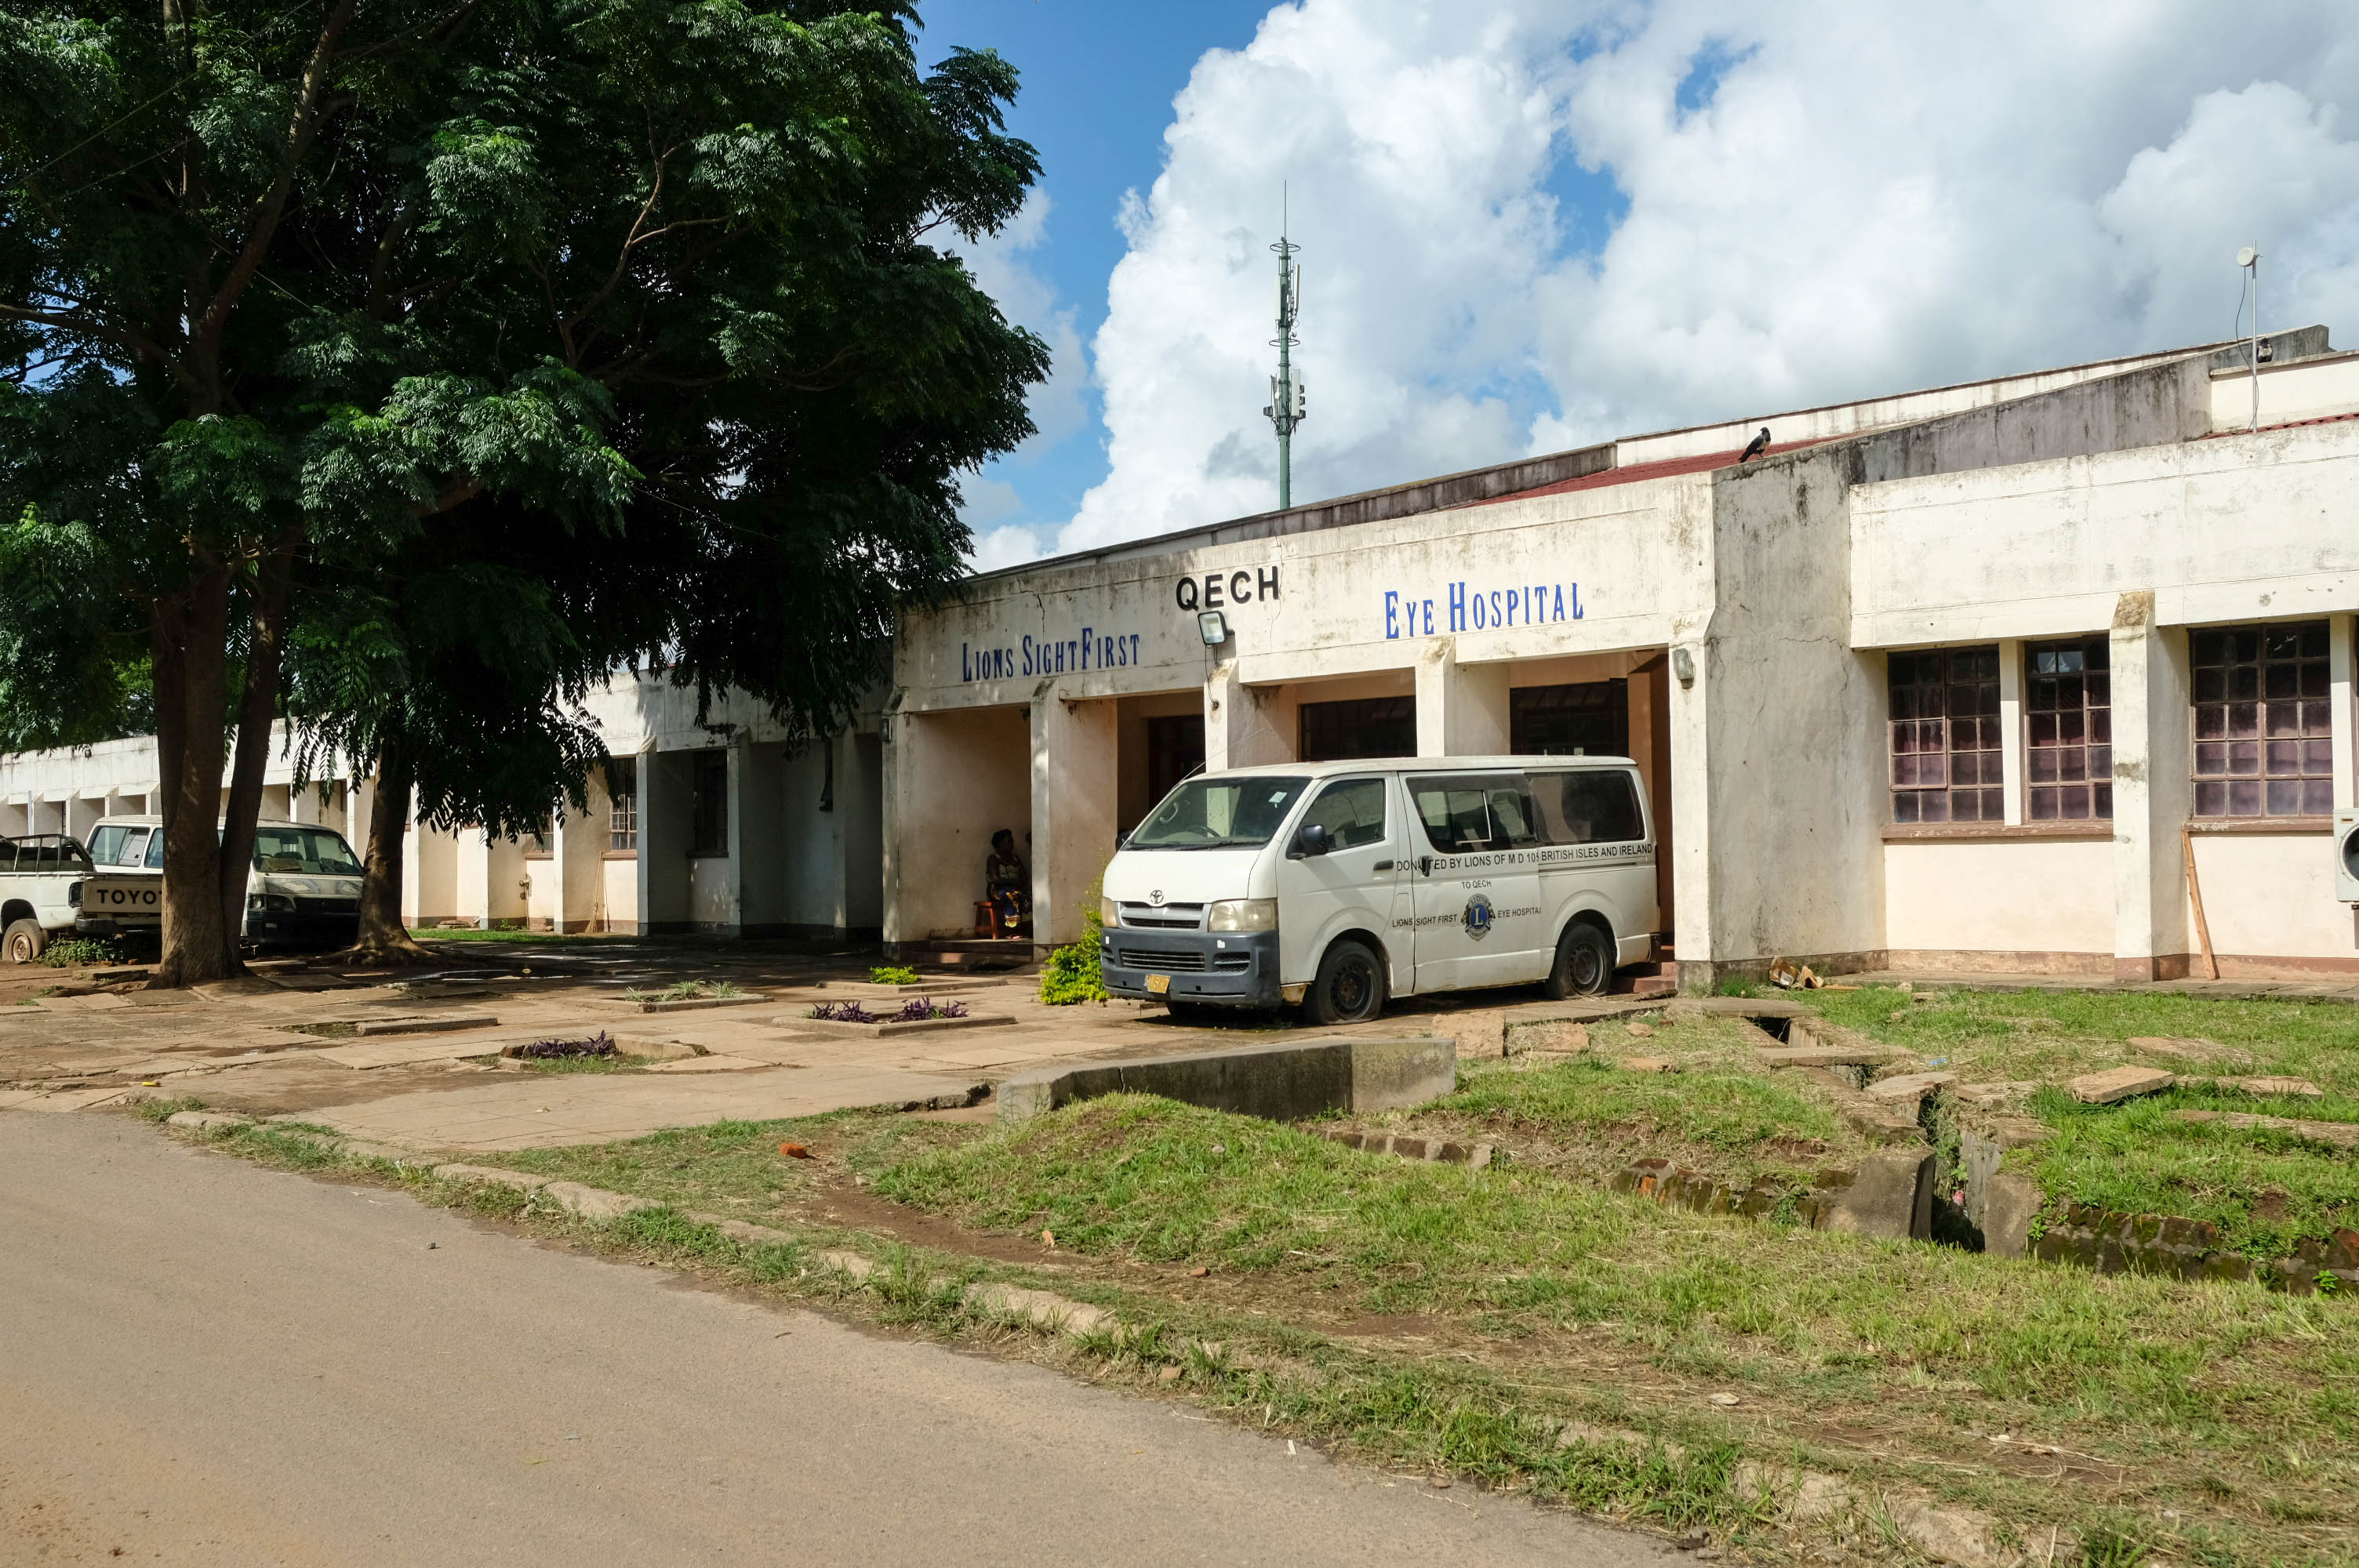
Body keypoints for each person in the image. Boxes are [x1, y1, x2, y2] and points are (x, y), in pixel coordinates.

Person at [985, 829, 1030, 936]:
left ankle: (1027, 928)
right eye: (1009, 841)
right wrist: (1013, 882)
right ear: (1000, 843)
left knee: (1028, 896)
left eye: (1012, 841)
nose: (1012, 843)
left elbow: (1024, 877)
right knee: (1010, 895)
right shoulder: (993, 859)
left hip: (1015, 888)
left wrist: (1019, 883)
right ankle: (1012, 930)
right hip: (997, 890)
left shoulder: (1015, 858)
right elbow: (995, 879)